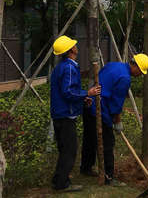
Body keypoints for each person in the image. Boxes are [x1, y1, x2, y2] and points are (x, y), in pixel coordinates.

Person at [80, 53, 148, 186]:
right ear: (135, 66)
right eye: (140, 71)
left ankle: (86, 168)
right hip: (100, 109)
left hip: (88, 104)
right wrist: (117, 121)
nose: (140, 74)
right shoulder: (124, 78)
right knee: (108, 143)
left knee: (89, 138)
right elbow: (116, 104)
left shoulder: (114, 65)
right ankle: (109, 177)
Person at [50, 35, 101, 192]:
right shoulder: (70, 67)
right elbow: (68, 92)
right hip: (66, 115)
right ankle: (61, 184)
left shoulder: (60, 67)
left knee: (64, 148)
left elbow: (66, 91)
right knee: (70, 150)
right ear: (71, 50)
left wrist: (83, 98)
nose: (76, 46)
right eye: (74, 45)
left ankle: (58, 179)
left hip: (59, 113)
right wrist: (88, 92)